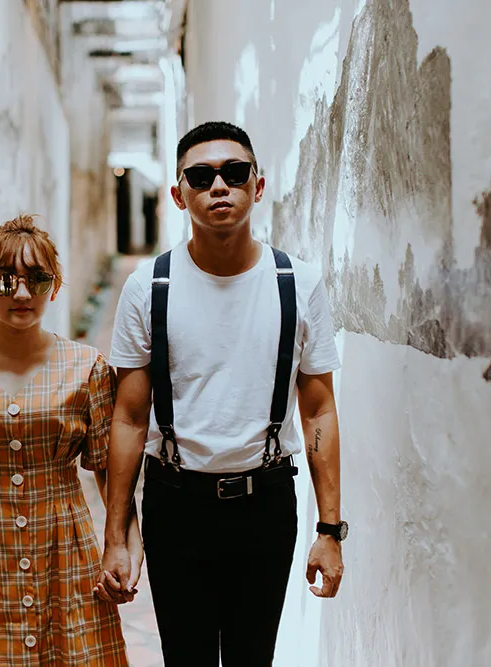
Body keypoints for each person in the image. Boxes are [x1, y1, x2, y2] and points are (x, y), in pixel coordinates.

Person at [97, 121, 348, 666]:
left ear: (257, 186)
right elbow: (129, 418)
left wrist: (329, 529)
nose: (219, 186)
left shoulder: (299, 285)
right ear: (179, 192)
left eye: (234, 173)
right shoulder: (148, 288)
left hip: (266, 504)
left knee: (251, 659)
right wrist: (118, 533)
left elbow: (319, 409)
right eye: (202, 175)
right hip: (174, 504)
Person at [0, 214, 142, 667]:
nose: (21, 293)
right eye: (4, 279)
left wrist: (126, 545)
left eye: (37, 279)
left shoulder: (87, 368)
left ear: (55, 287)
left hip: (65, 548)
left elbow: (107, 471)